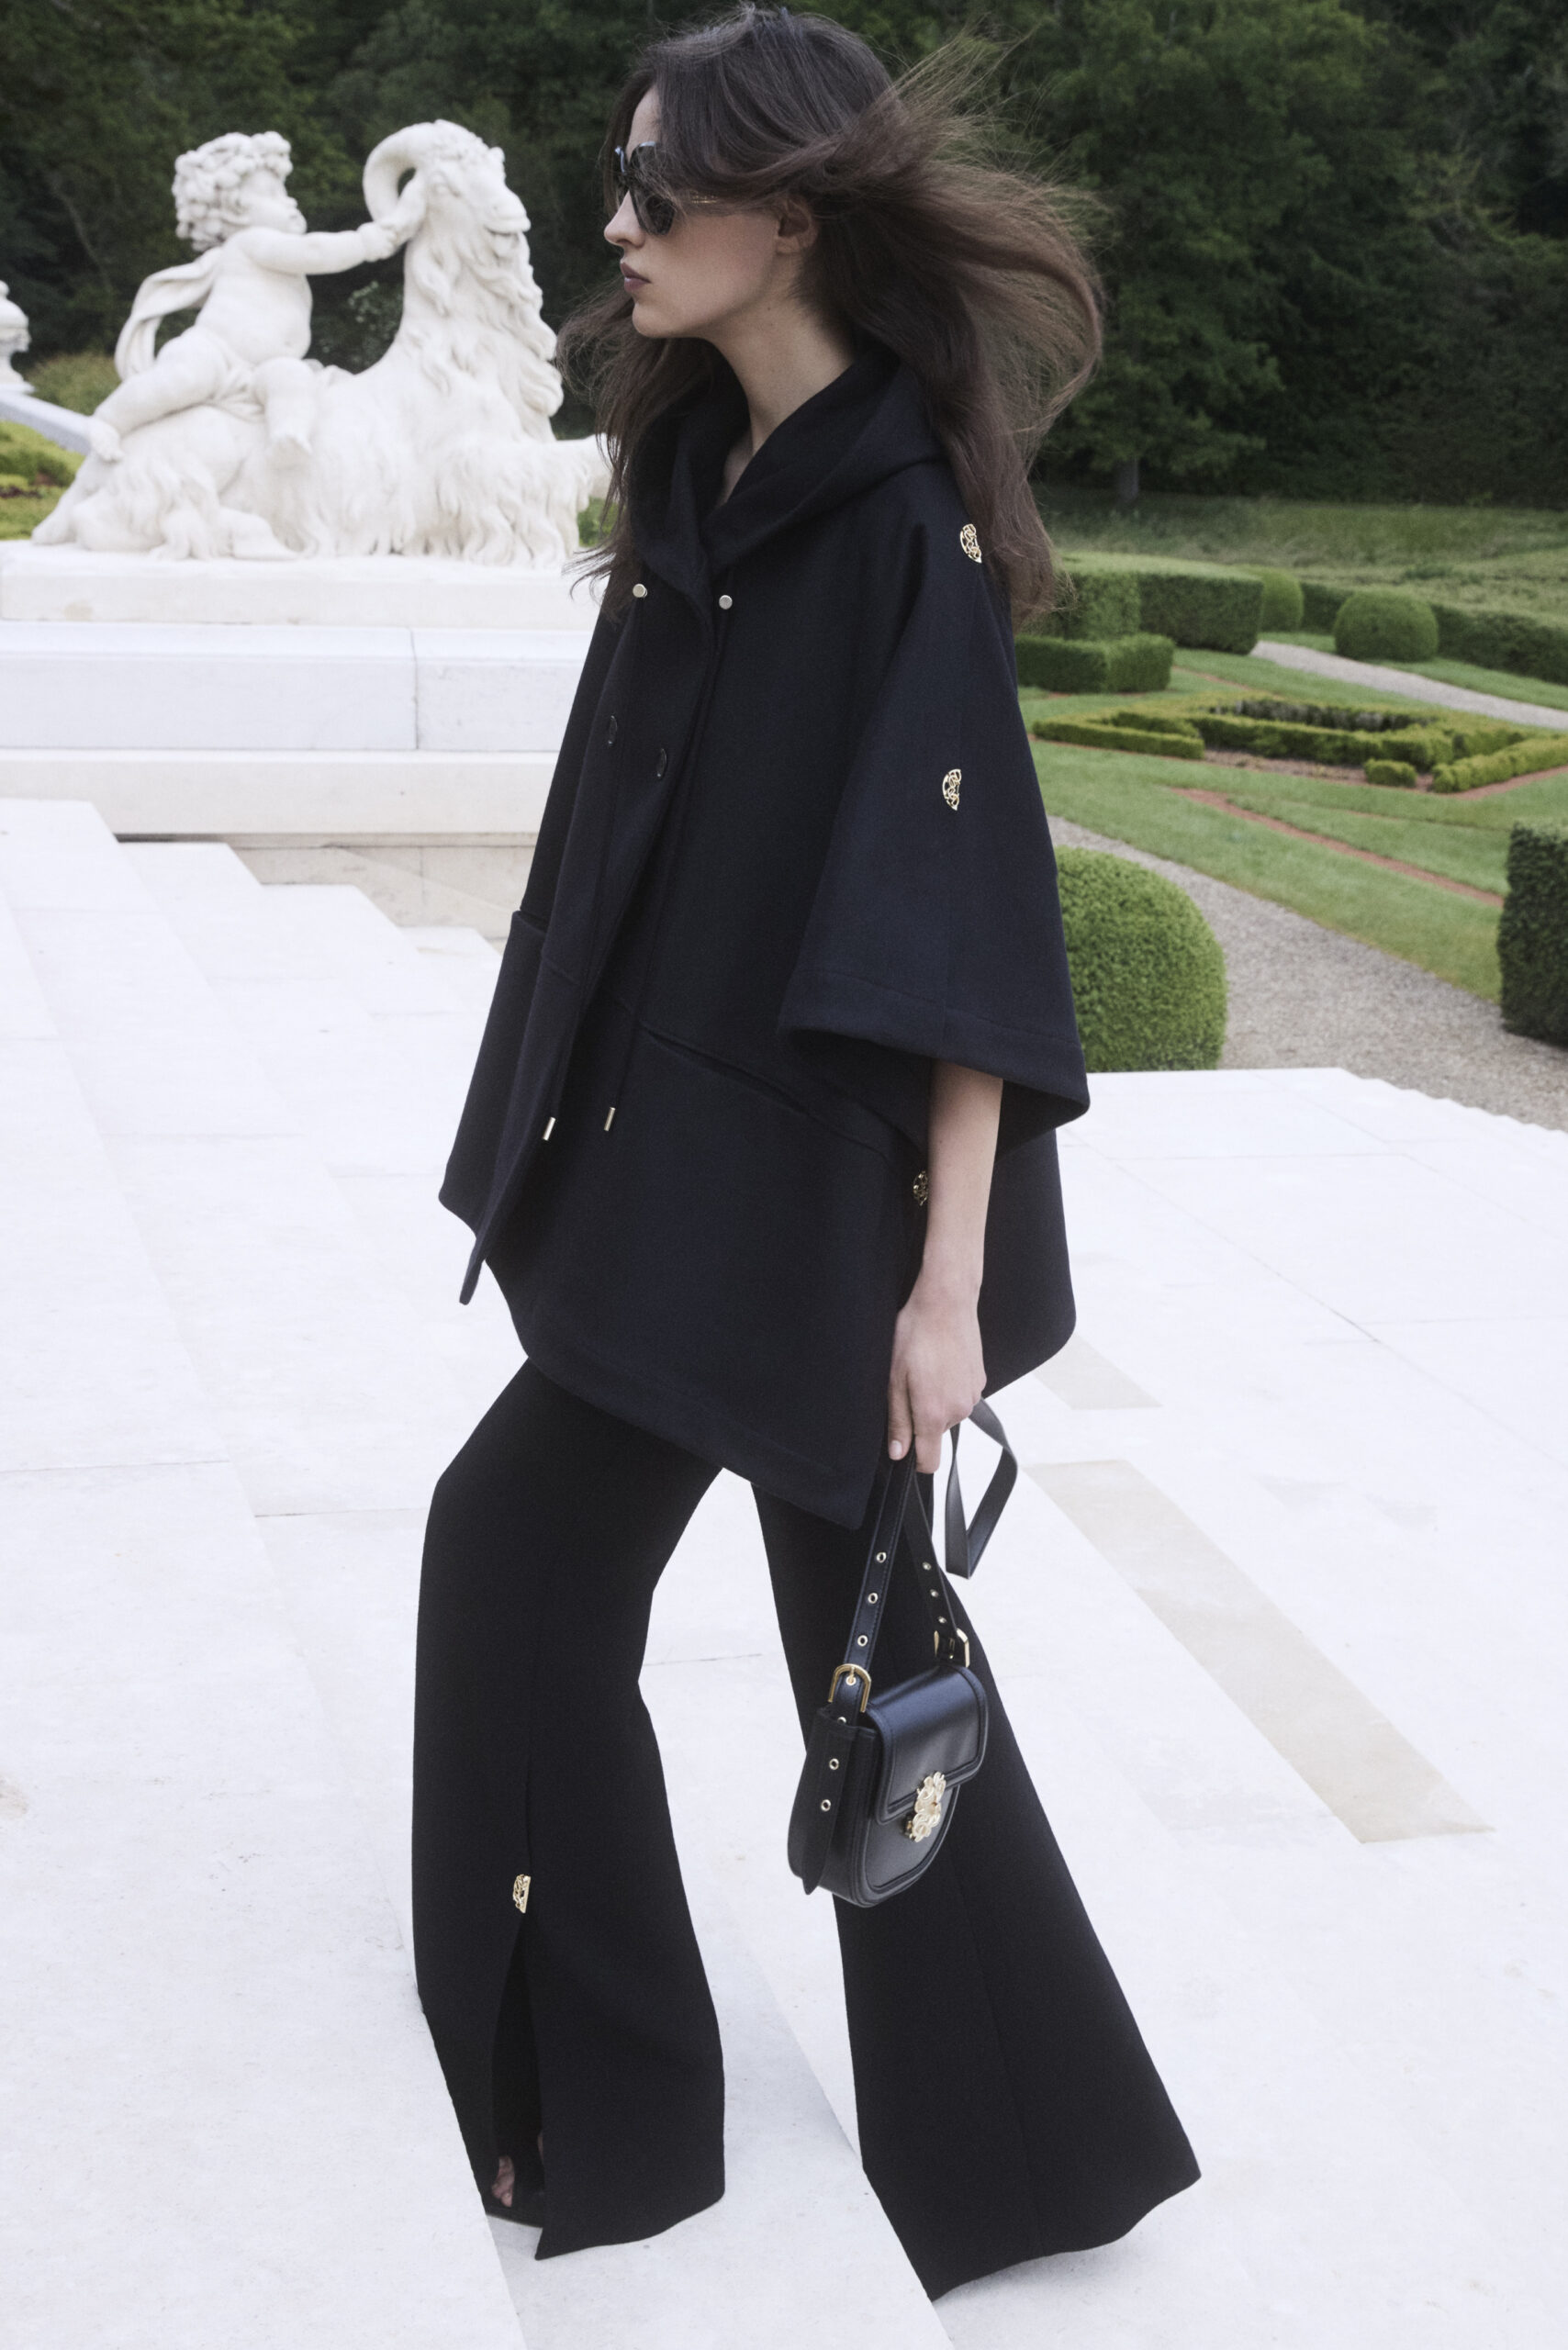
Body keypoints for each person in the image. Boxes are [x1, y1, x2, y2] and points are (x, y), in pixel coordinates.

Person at [414, 5, 1198, 2300]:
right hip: (668, 1156)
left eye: (660, 191)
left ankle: (601, 2101)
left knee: (528, 1555)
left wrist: (945, 1292)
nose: (618, 225)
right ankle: (1034, 2151)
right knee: (860, 1638)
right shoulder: (700, 474)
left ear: (786, 218)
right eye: (621, 180)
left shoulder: (893, 534)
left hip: (807, 1206)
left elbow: (967, 933)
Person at [85, 131, 421, 467]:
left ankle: (288, 437)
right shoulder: (252, 243)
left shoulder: (272, 257)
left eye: (285, 192)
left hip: (261, 369)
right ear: (236, 212)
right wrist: (366, 242)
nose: (290, 201)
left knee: (293, 378)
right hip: (215, 354)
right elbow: (315, 251)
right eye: (273, 194)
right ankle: (110, 420)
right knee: (183, 379)